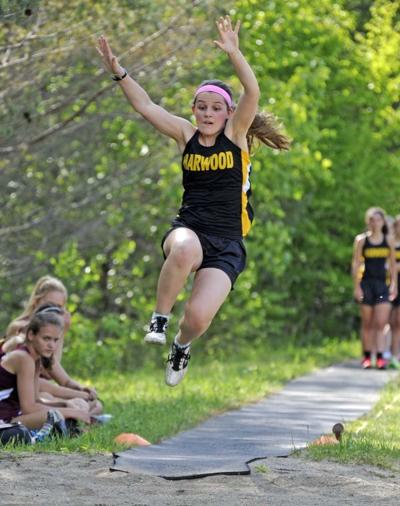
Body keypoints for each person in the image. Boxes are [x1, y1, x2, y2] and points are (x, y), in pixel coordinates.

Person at [97, 16, 289, 386]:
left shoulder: (235, 135)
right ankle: (159, 318)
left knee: (198, 319)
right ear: (193, 109)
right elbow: (146, 106)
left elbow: (252, 91)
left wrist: (235, 54)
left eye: (215, 108)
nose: (207, 113)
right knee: (183, 251)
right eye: (201, 107)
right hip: (189, 229)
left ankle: (181, 345)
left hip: (228, 242)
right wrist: (120, 73)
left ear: (228, 113)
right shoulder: (184, 135)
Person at [1, 276, 102, 415]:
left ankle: (78, 417)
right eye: (51, 305)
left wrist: (82, 390)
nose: (55, 311)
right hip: (21, 395)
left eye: (60, 307)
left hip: (36, 393)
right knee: (50, 400)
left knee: (95, 405)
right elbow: (45, 373)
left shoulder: (47, 341)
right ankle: (73, 418)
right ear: (38, 302)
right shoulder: (22, 334)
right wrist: (76, 398)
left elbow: (57, 371)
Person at [0, 311, 90, 429]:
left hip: (14, 415)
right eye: (46, 338)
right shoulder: (23, 358)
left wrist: (65, 404)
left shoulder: (35, 359)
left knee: (67, 413)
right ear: (31, 335)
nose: (51, 345)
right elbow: (28, 408)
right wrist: (69, 411)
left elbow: (36, 400)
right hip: (5, 420)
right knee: (60, 415)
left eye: (55, 340)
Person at [352, 207, 397, 369]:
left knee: (381, 323)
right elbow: (356, 264)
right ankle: (366, 356)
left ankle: (379, 358)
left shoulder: (388, 241)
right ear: (368, 222)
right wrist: (357, 287)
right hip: (366, 284)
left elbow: (392, 264)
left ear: (383, 222)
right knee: (367, 323)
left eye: (378, 220)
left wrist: (394, 285)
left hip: (382, 286)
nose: (375, 223)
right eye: (372, 220)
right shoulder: (361, 241)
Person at [389, 215, 400, 368]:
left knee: (398, 322)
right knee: (389, 321)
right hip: (389, 283)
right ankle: (388, 353)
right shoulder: (390, 243)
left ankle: (396, 355)